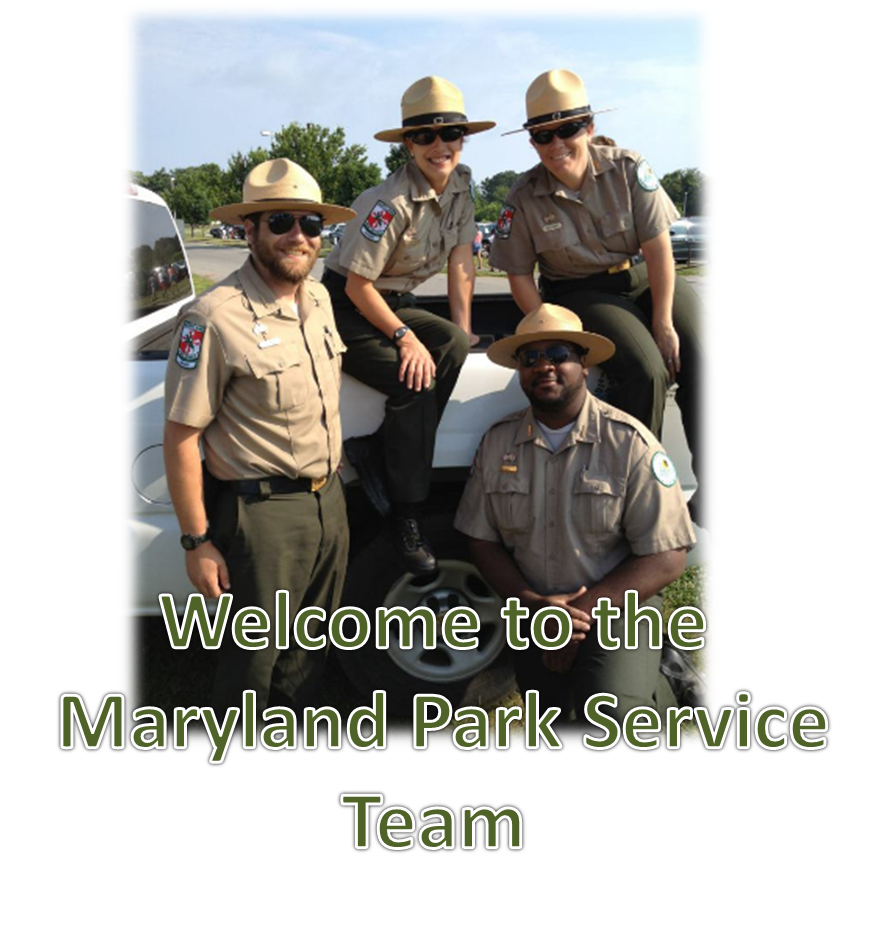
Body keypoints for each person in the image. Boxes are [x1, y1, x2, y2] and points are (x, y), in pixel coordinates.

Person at [163, 158, 356, 734]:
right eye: (280, 221)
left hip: (330, 502)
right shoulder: (213, 317)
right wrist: (197, 541)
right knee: (254, 665)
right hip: (262, 516)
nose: (298, 235)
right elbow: (181, 436)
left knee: (309, 654)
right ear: (249, 230)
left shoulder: (318, 299)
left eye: (310, 223)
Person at [454, 303, 708, 738]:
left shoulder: (629, 442)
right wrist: (534, 606)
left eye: (557, 353)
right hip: (536, 613)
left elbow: (667, 557)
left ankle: (659, 691)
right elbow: (480, 540)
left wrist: (580, 616)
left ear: (584, 364)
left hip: (616, 611)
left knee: (613, 721)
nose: (544, 366)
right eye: (530, 358)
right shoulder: (498, 443)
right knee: (557, 725)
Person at [490, 69, 715, 537]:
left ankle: (713, 496)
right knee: (646, 369)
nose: (556, 144)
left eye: (568, 129)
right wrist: (549, 331)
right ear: (531, 141)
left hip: (642, 277)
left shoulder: (627, 168)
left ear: (588, 127)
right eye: (542, 135)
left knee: (701, 356)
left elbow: (656, 250)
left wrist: (663, 322)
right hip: (580, 291)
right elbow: (518, 274)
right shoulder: (524, 195)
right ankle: (637, 501)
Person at [322, 75, 495, 575]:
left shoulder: (461, 188)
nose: (439, 146)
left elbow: (461, 262)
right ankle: (407, 513)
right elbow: (356, 287)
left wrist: (461, 331)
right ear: (408, 144)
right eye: (424, 136)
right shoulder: (389, 203)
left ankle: (380, 450)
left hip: (392, 299)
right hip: (343, 305)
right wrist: (404, 337)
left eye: (450, 134)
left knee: (452, 346)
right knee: (412, 382)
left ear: (463, 139)